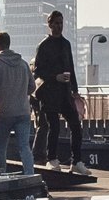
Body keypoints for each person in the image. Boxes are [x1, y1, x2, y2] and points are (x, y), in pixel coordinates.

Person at [30, 10, 83, 169]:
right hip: (49, 94)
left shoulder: (66, 44)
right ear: (50, 25)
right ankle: (52, 159)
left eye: (61, 23)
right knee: (54, 127)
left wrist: (75, 90)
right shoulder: (43, 45)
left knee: (75, 125)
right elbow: (37, 71)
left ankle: (77, 161)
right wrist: (55, 77)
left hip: (65, 93)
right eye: (56, 23)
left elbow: (71, 67)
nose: (59, 26)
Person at [0, 29, 36, 177]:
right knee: (24, 147)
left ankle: (0, 177)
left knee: (0, 148)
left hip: (4, 112)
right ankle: (30, 175)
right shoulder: (23, 64)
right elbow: (32, 87)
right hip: (23, 112)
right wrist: (20, 93)